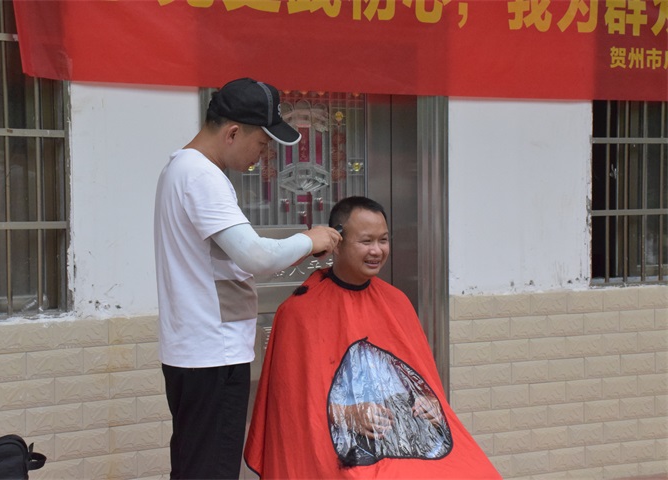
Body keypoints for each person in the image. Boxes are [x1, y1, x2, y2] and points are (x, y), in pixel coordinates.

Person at [153, 77, 342, 480]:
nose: (264, 153)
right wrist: (310, 239)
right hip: (213, 353)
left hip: (193, 349)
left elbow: (228, 256)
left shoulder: (179, 169)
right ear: (233, 132)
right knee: (211, 470)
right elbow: (255, 255)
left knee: (193, 465)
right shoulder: (202, 176)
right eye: (262, 142)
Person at [244, 196, 501, 479]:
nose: (377, 250)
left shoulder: (397, 302)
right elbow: (291, 407)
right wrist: (346, 414)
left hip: (406, 443)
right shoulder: (299, 311)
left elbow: (422, 378)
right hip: (337, 451)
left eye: (383, 240)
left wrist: (428, 402)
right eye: (366, 241)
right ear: (336, 242)